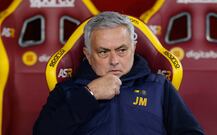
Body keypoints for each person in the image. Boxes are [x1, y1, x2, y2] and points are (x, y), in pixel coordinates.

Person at [33, 11, 205, 135]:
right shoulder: (67, 90)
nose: (114, 60)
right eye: (103, 52)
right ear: (88, 55)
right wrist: (89, 94)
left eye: (122, 50)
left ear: (134, 48)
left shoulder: (159, 87)